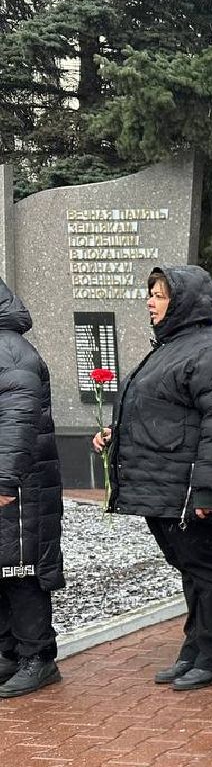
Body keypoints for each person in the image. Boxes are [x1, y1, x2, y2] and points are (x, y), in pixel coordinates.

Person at [93, 265, 212, 692]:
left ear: (182, 302)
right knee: (190, 568)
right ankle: (196, 648)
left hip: (187, 488)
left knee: (208, 569)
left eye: (160, 295)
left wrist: (207, 490)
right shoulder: (169, 347)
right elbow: (162, 413)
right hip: (163, 484)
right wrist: (117, 436)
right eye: (151, 294)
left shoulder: (210, 352)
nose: (151, 301)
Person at [0, 277, 63, 698]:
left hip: (20, 486)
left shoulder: (10, 350)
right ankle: (8, 652)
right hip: (14, 481)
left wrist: (4, 478)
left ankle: (38, 657)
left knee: (22, 571)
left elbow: (18, 419)